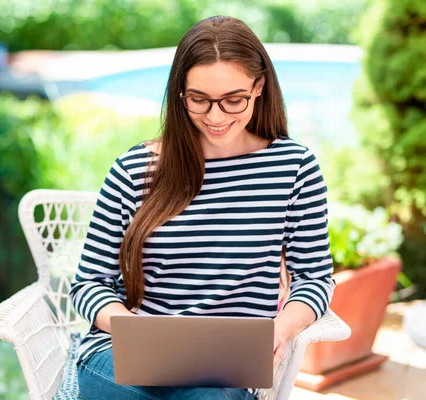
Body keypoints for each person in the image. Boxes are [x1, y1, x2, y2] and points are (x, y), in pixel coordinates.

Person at [69, 15, 335, 400]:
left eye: (233, 100)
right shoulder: (133, 169)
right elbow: (89, 283)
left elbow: (314, 278)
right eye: (199, 100)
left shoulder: (294, 168)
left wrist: (281, 328)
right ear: (180, 93)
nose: (215, 117)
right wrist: (133, 330)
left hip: (223, 369)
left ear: (259, 86)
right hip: (122, 360)